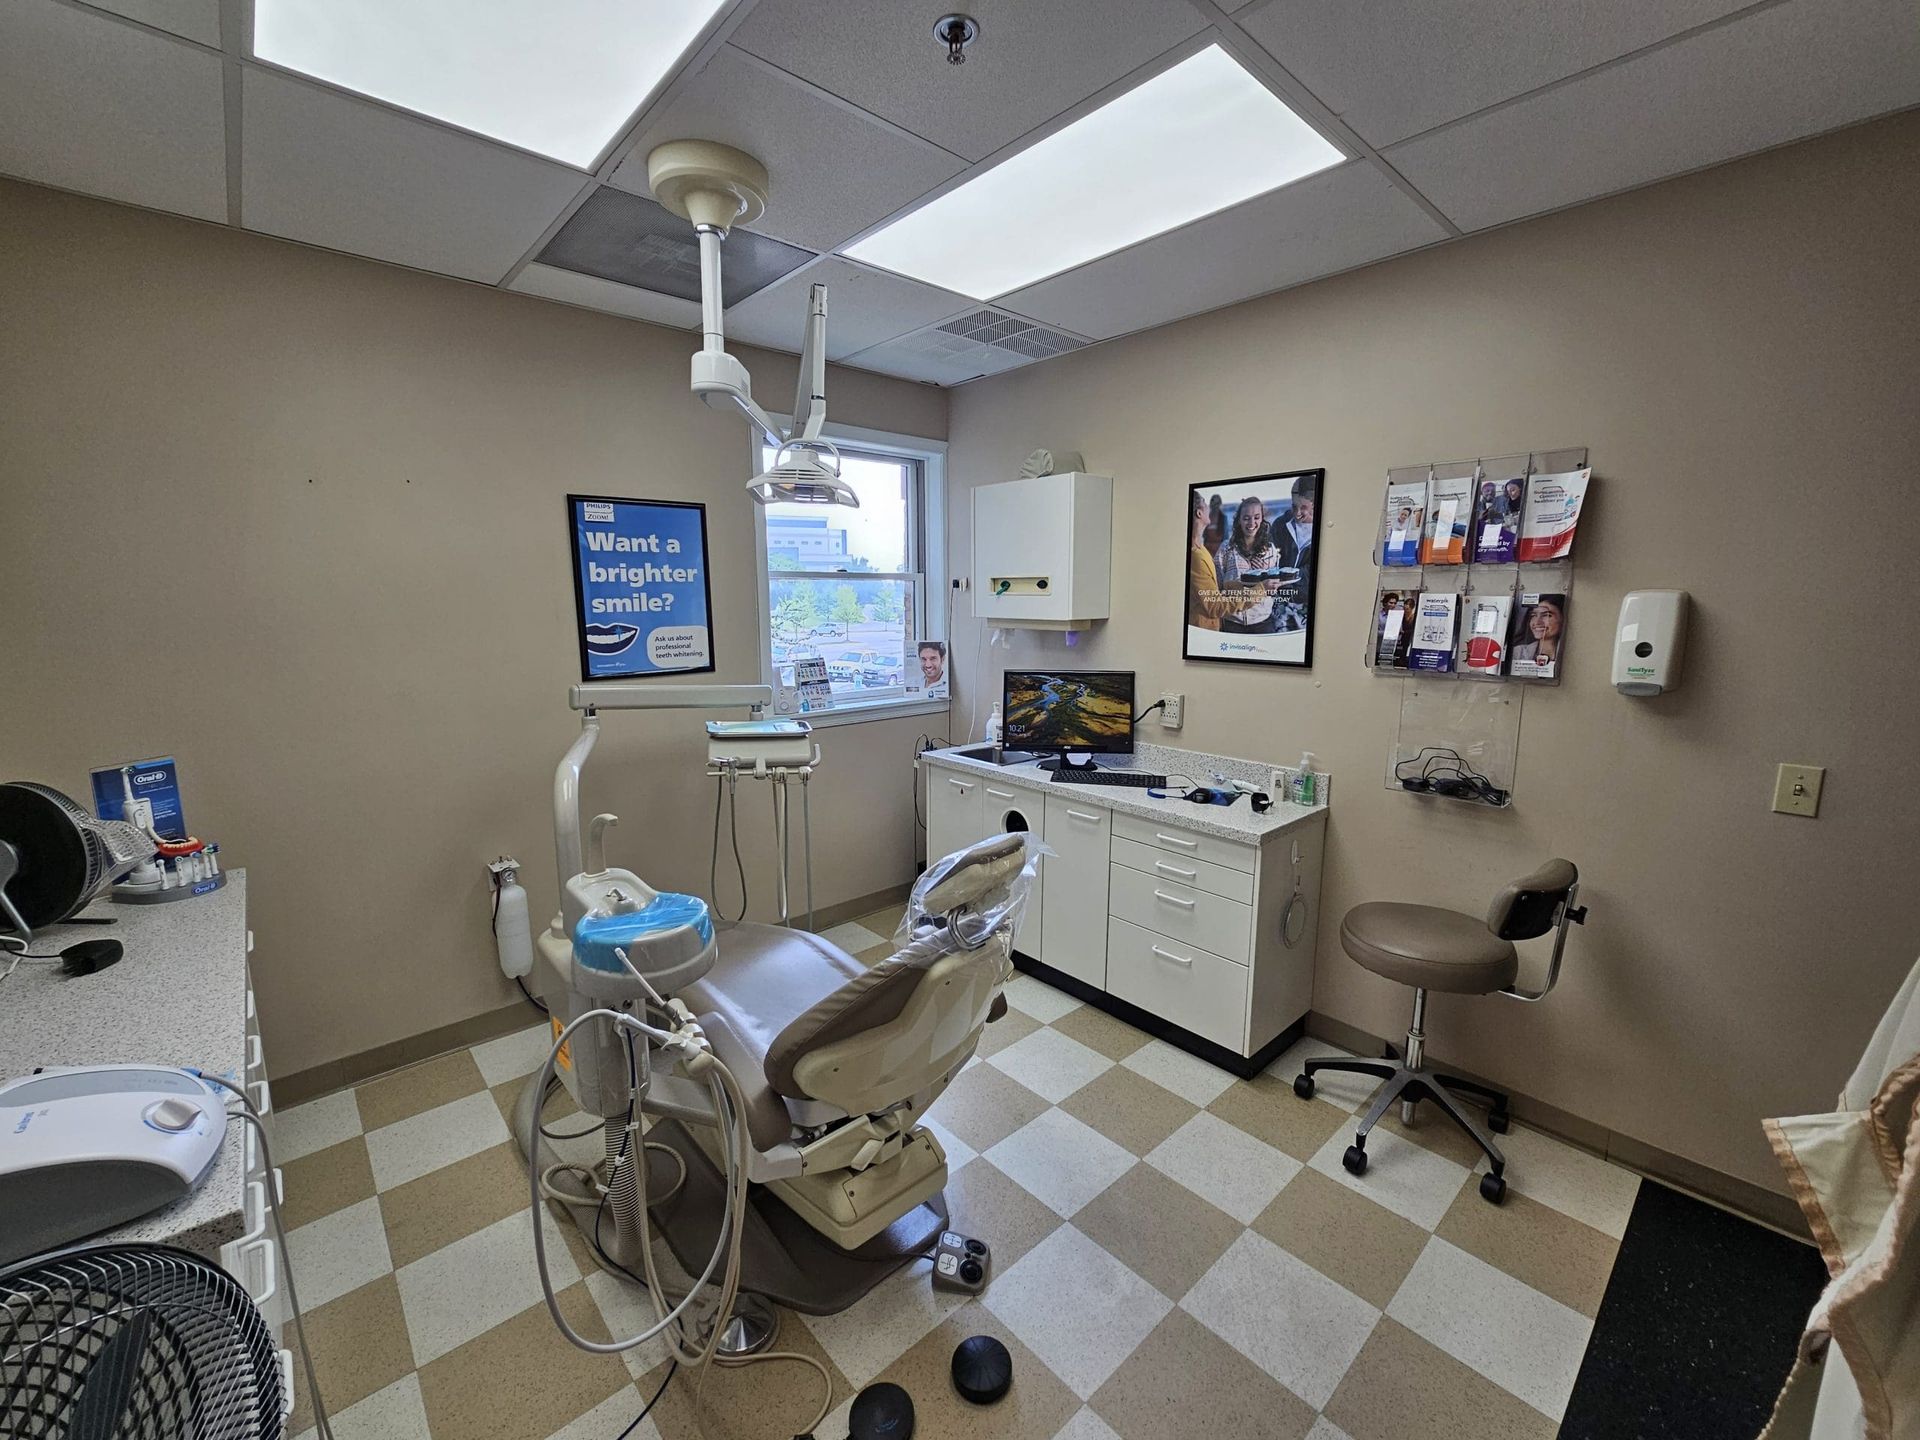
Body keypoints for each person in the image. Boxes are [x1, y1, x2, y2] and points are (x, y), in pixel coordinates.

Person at [1186, 493, 1265, 631]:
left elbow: (1217, 587)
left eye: (1257, 517)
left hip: (1218, 625)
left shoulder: (1200, 548)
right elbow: (1214, 606)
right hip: (1204, 631)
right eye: (1205, 502)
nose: (1209, 506)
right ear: (1199, 512)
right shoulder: (1196, 556)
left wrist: (1248, 584)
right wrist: (1259, 590)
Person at [1214, 495, 1284, 635]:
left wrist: (1264, 576)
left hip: (1262, 622)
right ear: (1238, 520)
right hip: (1232, 622)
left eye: (1257, 517)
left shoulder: (1270, 549)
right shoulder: (1226, 549)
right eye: (1246, 518)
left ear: (1262, 519)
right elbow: (1217, 586)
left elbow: (1273, 589)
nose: (1252, 522)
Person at [1509, 596, 1565, 675]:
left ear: (1563, 619)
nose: (1537, 622)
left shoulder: (1570, 653)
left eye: (1546, 615)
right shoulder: (1518, 652)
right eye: (1533, 615)